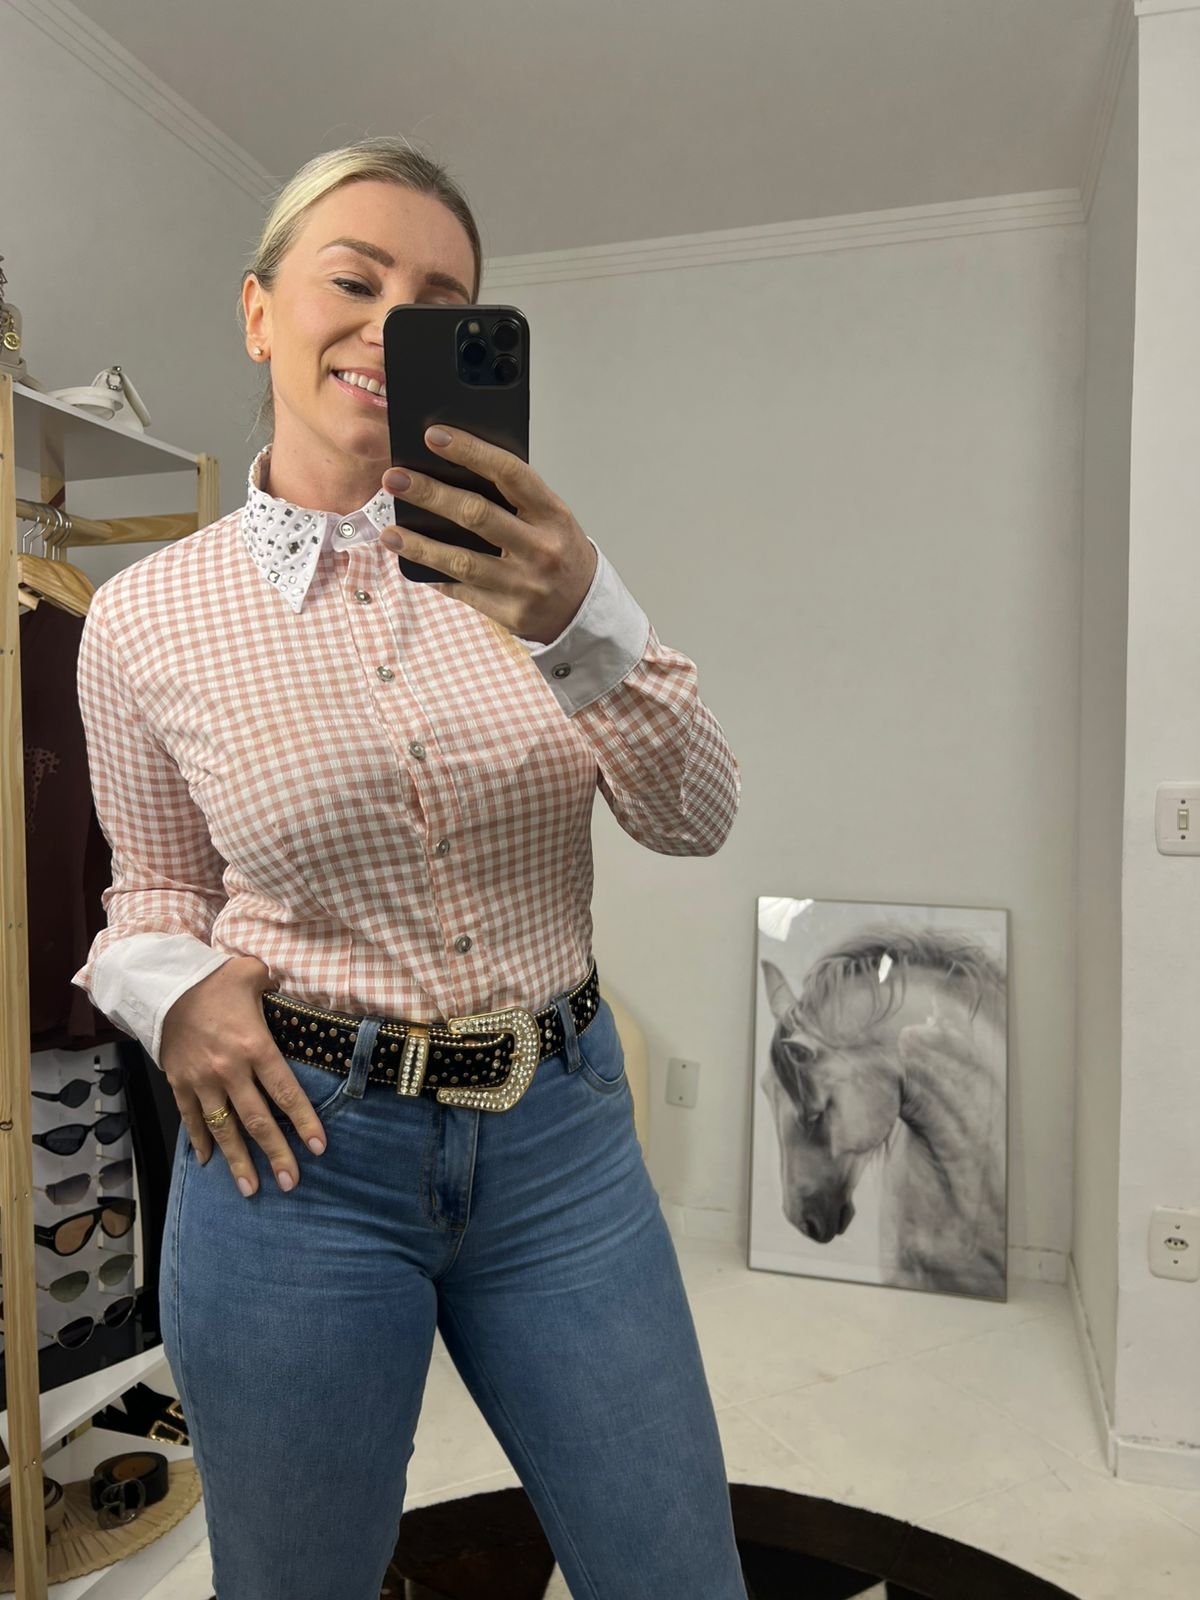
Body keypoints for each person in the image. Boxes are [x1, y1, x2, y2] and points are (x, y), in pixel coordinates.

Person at [72, 137, 745, 1600]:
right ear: (260, 312)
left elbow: (696, 815)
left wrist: (584, 620)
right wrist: (172, 995)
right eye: (355, 280)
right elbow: (151, 895)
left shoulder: (543, 569)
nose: (391, 326)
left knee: (678, 1572)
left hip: (561, 1145)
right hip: (295, 1159)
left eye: (441, 305)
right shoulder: (140, 619)